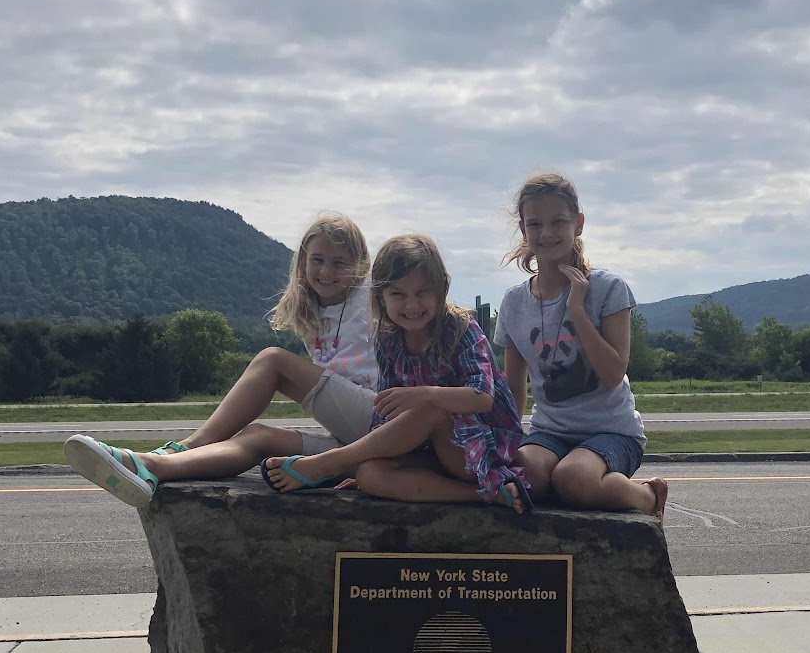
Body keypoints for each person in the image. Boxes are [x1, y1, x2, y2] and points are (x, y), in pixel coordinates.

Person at [62, 212, 379, 507]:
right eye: (317, 260)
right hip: (359, 445)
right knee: (257, 436)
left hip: (382, 424)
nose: (326, 271)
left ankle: (188, 445)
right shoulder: (315, 315)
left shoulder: (372, 299)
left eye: (339, 263)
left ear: (361, 265)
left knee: (273, 361)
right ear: (303, 263)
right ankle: (152, 467)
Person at [264, 233, 533, 513]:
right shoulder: (387, 338)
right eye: (398, 294)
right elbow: (386, 412)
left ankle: (332, 462)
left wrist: (425, 395)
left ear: (441, 288)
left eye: (423, 292)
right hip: (430, 451)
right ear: (381, 298)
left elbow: (483, 397)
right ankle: (491, 494)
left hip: (480, 448)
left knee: (431, 408)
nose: (412, 305)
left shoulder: (461, 329)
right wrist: (378, 456)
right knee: (369, 475)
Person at [495, 171, 667, 520]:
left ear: (579, 224)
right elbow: (514, 388)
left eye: (558, 221)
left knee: (573, 479)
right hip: (550, 433)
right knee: (524, 475)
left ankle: (649, 496)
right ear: (523, 230)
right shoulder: (514, 303)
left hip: (611, 432)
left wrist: (577, 309)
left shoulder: (608, 288)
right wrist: (505, 443)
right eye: (535, 223)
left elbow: (613, 375)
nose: (546, 233)